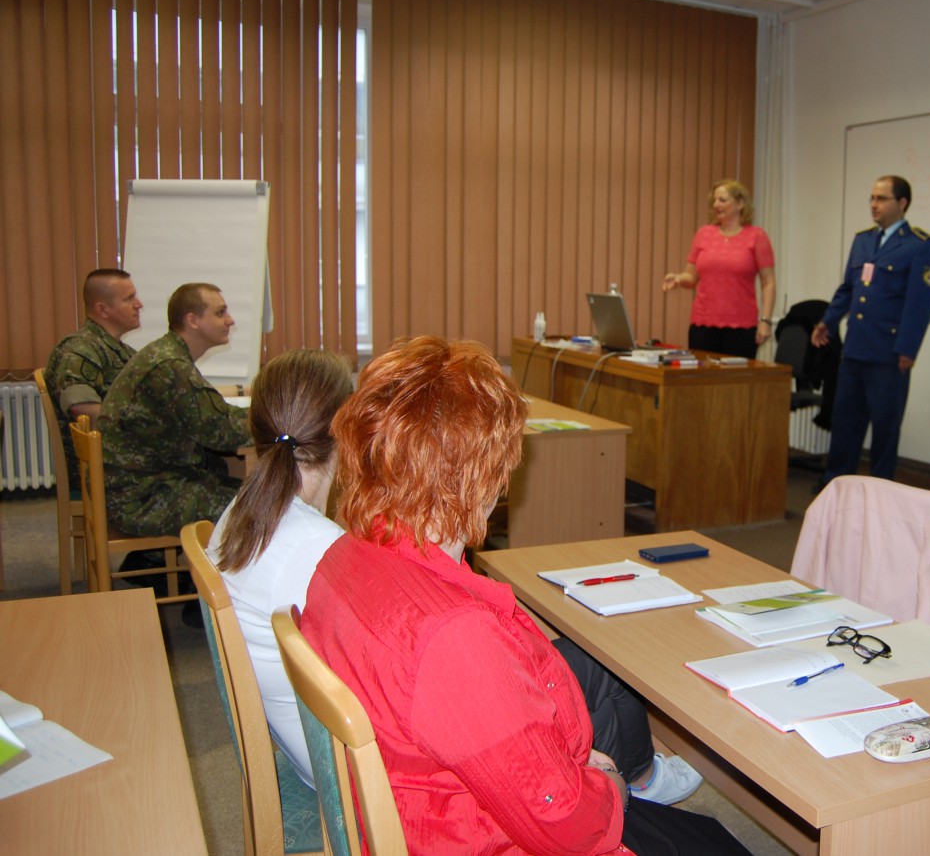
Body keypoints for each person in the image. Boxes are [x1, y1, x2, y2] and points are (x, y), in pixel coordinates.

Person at [300, 336, 747, 855]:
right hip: (474, 838)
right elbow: (565, 825)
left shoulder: (344, 557)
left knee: (702, 835)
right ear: (480, 475)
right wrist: (610, 788)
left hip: (421, 806)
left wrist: (567, 766)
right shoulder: (454, 636)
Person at [207, 348, 352, 789]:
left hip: (302, 743)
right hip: (344, 774)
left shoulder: (245, 509)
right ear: (346, 431)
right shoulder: (319, 550)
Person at [811, 175, 930, 486]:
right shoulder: (863, 240)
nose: (873, 204)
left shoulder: (918, 245)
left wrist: (907, 349)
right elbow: (848, 289)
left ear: (902, 203)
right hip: (855, 349)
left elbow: (919, 304)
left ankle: (882, 493)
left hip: (889, 354)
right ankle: (836, 486)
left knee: (885, 428)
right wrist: (827, 321)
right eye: (872, 198)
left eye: (881, 198)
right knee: (845, 423)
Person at [102, 282, 251, 537]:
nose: (230, 320)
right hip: (141, 498)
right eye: (220, 313)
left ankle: (154, 557)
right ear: (193, 321)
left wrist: (264, 415)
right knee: (258, 506)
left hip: (140, 485)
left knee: (247, 491)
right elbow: (223, 432)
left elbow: (216, 415)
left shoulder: (168, 354)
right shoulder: (171, 365)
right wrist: (280, 422)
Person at [44, 269, 143, 482]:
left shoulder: (119, 350)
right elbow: (82, 409)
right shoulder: (80, 349)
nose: (138, 304)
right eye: (129, 299)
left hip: (125, 458)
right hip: (108, 467)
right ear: (102, 309)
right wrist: (147, 430)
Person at [662, 179, 776, 359]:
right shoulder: (704, 234)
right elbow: (691, 277)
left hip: (741, 328)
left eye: (722, 200)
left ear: (740, 203)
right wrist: (678, 278)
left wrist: (766, 321)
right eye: (714, 200)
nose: (716, 205)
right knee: (701, 375)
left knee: (736, 377)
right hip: (702, 325)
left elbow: (768, 282)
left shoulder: (756, 236)